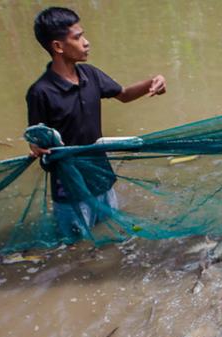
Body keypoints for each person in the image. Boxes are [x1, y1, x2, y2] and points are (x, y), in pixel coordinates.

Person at [26, 6, 166, 237]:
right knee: (75, 247)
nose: (86, 42)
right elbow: (36, 140)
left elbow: (123, 94)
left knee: (111, 234)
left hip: (102, 177)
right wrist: (35, 148)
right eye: (78, 37)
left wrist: (153, 81)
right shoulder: (41, 92)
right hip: (70, 188)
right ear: (58, 46)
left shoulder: (90, 75)